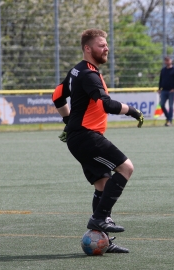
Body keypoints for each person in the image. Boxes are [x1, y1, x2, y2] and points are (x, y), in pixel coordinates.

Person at [52, 28, 144, 253]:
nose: (106, 48)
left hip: (80, 136)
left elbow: (57, 95)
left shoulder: (77, 70)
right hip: (87, 137)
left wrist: (68, 122)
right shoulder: (88, 74)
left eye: (106, 45)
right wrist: (132, 110)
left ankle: (103, 240)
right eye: (101, 45)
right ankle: (100, 218)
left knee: (103, 184)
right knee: (126, 167)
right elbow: (106, 104)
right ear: (87, 48)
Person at [158, 56, 174, 126]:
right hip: (164, 90)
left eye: (168, 60)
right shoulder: (163, 70)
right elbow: (161, 80)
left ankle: (169, 121)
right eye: (166, 61)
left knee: (170, 106)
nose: (167, 62)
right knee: (161, 104)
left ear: (171, 61)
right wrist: (159, 88)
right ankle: (168, 118)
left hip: (171, 91)